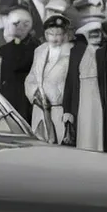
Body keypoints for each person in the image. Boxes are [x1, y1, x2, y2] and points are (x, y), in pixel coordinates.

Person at [63, 14, 107, 152]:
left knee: (100, 130)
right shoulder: (76, 52)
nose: (95, 35)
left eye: (98, 32)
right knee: (84, 132)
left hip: (100, 99)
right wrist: (67, 110)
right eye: (91, 33)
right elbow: (70, 81)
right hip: (82, 98)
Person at [25, 12, 74, 144]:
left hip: (59, 110)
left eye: (58, 34)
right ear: (45, 34)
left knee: (59, 149)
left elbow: (73, 83)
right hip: (39, 109)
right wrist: (35, 95)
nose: (54, 38)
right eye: (51, 34)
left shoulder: (72, 52)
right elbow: (31, 77)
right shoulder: (39, 51)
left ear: (65, 35)